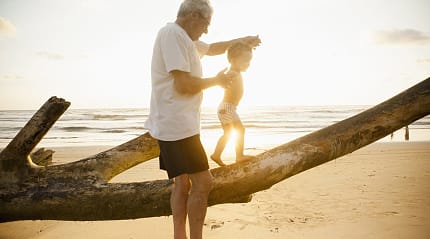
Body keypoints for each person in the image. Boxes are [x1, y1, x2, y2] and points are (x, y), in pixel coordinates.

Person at [144, 0, 261, 238]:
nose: (207, 30)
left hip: (176, 123)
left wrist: (243, 41)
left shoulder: (184, 39)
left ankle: (181, 236)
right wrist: (216, 82)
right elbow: (184, 84)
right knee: (203, 183)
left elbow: (214, 48)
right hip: (177, 126)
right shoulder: (172, 35)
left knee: (183, 184)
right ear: (194, 16)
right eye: (206, 24)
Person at [210, 42, 257, 167]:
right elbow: (221, 80)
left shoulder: (237, 72)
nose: (248, 64)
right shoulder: (233, 73)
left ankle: (237, 156)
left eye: (249, 61)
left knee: (240, 130)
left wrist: (247, 46)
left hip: (230, 108)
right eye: (245, 60)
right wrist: (219, 79)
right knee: (229, 132)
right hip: (226, 108)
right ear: (233, 60)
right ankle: (219, 155)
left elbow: (238, 50)